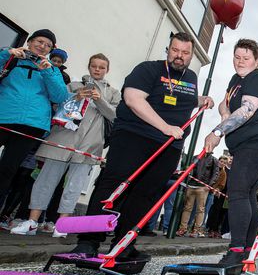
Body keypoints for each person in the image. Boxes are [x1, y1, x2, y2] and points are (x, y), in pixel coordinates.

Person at [68, 32, 213, 261]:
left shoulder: (191, 77)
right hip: (135, 135)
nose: (179, 56)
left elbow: (178, 96)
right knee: (112, 185)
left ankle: (124, 244)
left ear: (191, 55)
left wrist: (201, 99)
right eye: (175, 50)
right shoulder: (148, 69)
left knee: (146, 194)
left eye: (185, 53)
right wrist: (165, 126)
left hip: (169, 146)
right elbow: (133, 98)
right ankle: (88, 242)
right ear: (168, 49)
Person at [12, 54, 121, 237]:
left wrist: (99, 99)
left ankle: (62, 225)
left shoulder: (113, 93)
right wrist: (76, 97)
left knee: (74, 186)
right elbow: (58, 105)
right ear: (88, 67)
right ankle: (32, 221)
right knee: (45, 180)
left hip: (89, 145)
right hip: (63, 140)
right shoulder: (73, 86)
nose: (97, 69)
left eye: (101, 67)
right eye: (94, 66)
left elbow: (115, 116)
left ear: (107, 70)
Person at [203, 39, 258, 265]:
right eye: (237, 57)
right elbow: (225, 104)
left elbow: (246, 110)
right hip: (243, 143)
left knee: (236, 192)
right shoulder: (236, 79)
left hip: (257, 142)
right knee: (246, 195)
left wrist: (217, 131)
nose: (240, 62)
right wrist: (225, 112)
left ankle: (236, 250)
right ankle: (246, 249)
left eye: (246, 58)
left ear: (256, 60)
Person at [0, 29, 69, 206]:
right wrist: (6, 54)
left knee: (8, 170)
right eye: (39, 41)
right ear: (29, 42)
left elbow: (60, 97)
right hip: (4, 117)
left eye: (48, 45)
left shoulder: (52, 70)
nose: (42, 46)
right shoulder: (12, 58)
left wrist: (47, 72)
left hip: (32, 124)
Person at [176, 151, 219, 237]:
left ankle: (196, 230)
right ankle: (183, 229)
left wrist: (209, 185)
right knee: (187, 208)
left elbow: (215, 173)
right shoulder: (195, 157)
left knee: (200, 209)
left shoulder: (214, 160)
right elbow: (189, 169)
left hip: (203, 187)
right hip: (191, 185)